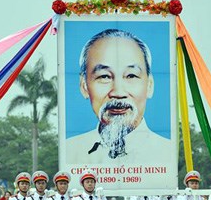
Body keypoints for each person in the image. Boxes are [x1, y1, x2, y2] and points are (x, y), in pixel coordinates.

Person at [66, 29, 171, 163]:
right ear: (84, 86)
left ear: (149, 85)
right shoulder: (69, 152)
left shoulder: (167, 154)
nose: (118, 93)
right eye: (104, 76)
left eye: (131, 75)